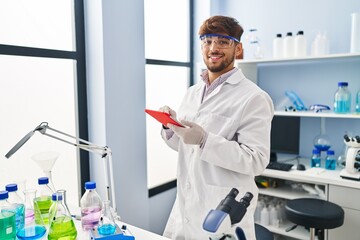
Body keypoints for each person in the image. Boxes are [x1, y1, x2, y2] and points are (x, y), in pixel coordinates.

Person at [159, 15, 274, 239]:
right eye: (207, 41)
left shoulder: (254, 97)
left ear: (237, 49)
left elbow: (256, 160)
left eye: (223, 41)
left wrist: (205, 140)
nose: (214, 48)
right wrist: (170, 128)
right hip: (185, 204)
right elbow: (187, 147)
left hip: (224, 208)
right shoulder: (192, 92)